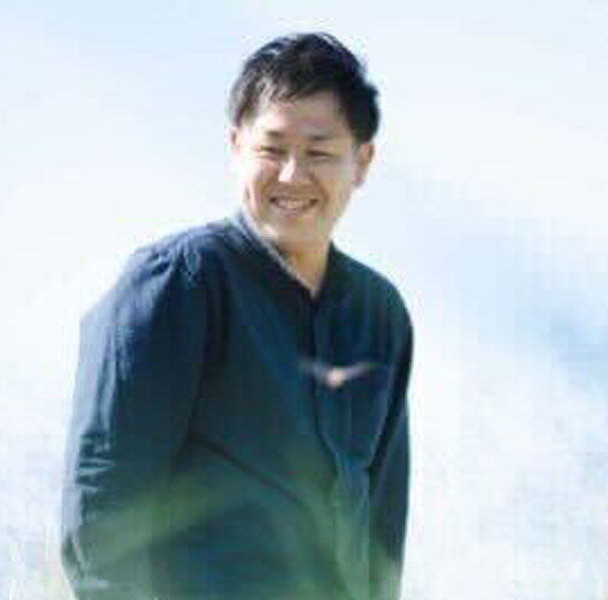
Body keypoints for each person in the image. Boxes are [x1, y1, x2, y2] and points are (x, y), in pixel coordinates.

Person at [60, 32, 413, 600]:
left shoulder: (380, 316)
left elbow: (382, 526)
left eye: (319, 152)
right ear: (235, 146)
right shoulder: (177, 284)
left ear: (362, 161)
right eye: (272, 149)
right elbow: (104, 505)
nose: (292, 175)